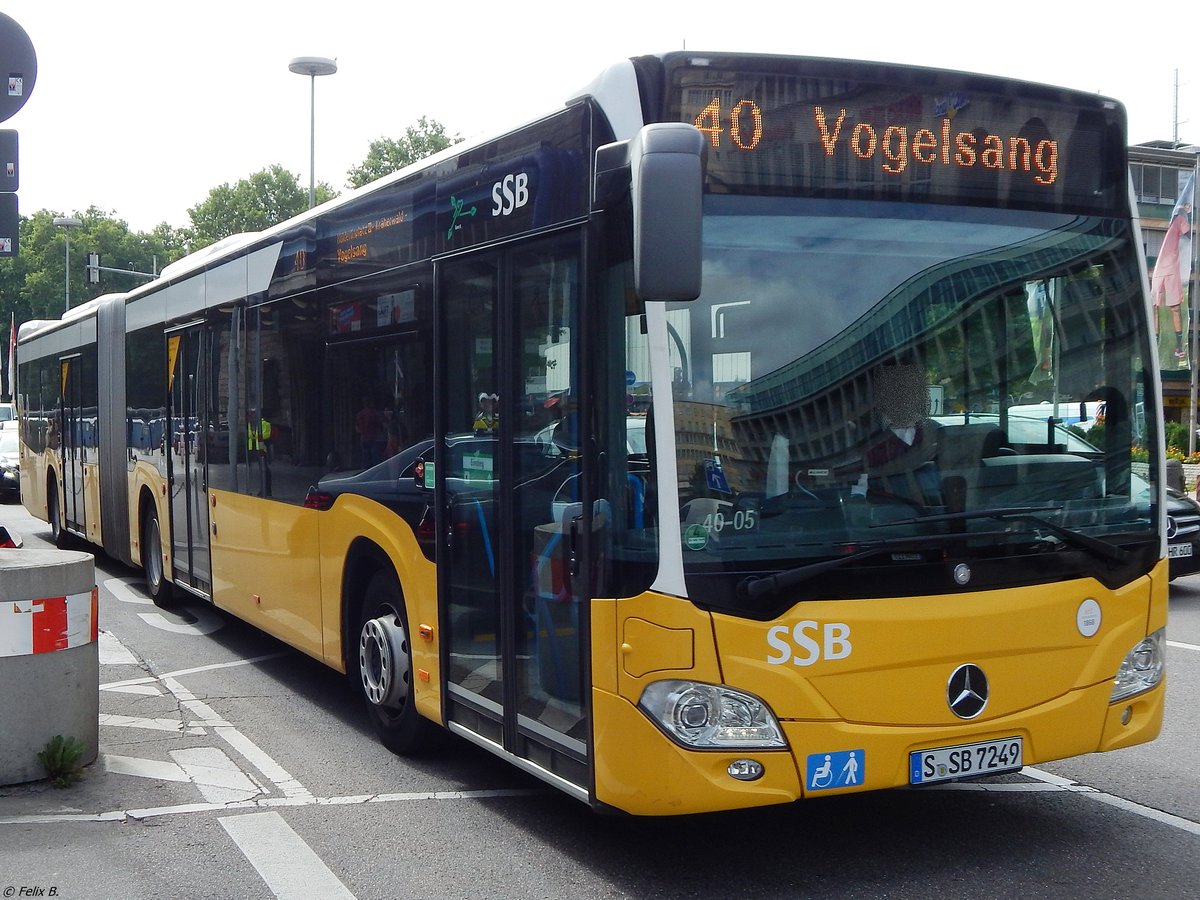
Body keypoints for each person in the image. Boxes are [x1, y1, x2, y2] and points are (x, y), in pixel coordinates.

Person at [859, 363, 940, 506]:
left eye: (914, 390)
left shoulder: (935, 430)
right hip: (886, 517)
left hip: (937, 514)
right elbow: (856, 488)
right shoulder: (866, 435)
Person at [1151, 195, 1193, 364]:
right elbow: (1188, 235)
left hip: (1159, 269)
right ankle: (1178, 347)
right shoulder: (1181, 219)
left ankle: (1159, 344)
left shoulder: (1172, 221)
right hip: (1169, 269)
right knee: (1174, 308)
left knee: (1156, 308)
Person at [247, 408, 272, 498]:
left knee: (264, 469)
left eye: (253, 414)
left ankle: (267, 490)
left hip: (262, 449)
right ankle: (262, 489)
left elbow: (266, 435)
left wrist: (256, 436)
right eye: (251, 414)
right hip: (253, 448)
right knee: (260, 470)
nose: (252, 416)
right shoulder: (251, 424)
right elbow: (250, 435)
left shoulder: (265, 423)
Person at [356, 396, 383, 467]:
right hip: (373, 438)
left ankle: (366, 471)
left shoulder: (360, 414)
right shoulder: (374, 413)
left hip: (364, 438)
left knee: (365, 458)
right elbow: (379, 425)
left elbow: (357, 428)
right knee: (375, 458)